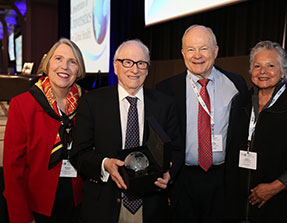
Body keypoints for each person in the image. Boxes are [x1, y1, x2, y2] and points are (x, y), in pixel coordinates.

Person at [70, 39, 183, 223]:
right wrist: (105, 164)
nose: (135, 69)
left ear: (147, 69)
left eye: (141, 64)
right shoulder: (93, 102)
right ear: (116, 66)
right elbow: (79, 154)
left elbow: (177, 149)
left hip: (151, 207)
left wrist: (169, 174)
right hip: (104, 205)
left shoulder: (165, 104)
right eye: (128, 62)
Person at [156, 24, 248, 223]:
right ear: (182, 53)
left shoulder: (236, 85)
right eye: (191, 49)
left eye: (204, 48)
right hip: (182, 180)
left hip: (223, 180)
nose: (197, 55)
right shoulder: (165, 89)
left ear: (215, 51)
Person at [226, 40, 287, 223]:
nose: (263, 71)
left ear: (282, 72)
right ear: (250, 71)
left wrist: (276, 186)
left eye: (271, 65)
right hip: (239, 206)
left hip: (282, 205)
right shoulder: (240, 103)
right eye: (257, 66)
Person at [3, 38, 86, 223]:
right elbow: (12, 170)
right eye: (58, 59)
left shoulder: (88, 103)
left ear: (79, 70)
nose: (64, 66)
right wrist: (22, 218)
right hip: (36, 207)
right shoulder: (22, 105)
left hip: (80, 205)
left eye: (72, 62)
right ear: (47, 64)